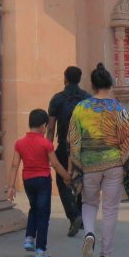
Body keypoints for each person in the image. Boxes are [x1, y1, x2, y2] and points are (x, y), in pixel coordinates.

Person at [68, 63, 129, 257]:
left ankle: (89, 233)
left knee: (89, 204)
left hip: (89, 166)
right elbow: (128, 137)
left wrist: (76, 164)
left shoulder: (80, 108)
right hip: (114, 165)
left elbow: (73, 139)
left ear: (93, 85)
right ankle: (106, 254)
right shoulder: (118, 108)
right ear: (110, 84)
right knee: (110, 209)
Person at [6, 108, 72, 257]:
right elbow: (55, 164)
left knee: (34, 208)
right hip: (43, 180)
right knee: (43, 214)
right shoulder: (46, 143)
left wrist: (11, 186)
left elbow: (14, 165)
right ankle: (41, 249)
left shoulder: (19, 143)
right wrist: (67, 177)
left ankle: (29, 238)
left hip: (27, 180)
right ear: (43, 126)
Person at [47, 65, 91, 237]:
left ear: (64, 79)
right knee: (81, 179)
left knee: (62, 180)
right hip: (83, 146)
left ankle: (73, 216)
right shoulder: (87, 98)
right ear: (79, 80)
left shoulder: (57, 99)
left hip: (64, 146)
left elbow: (51, 127)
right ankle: (80, 214)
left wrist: (47, 147)